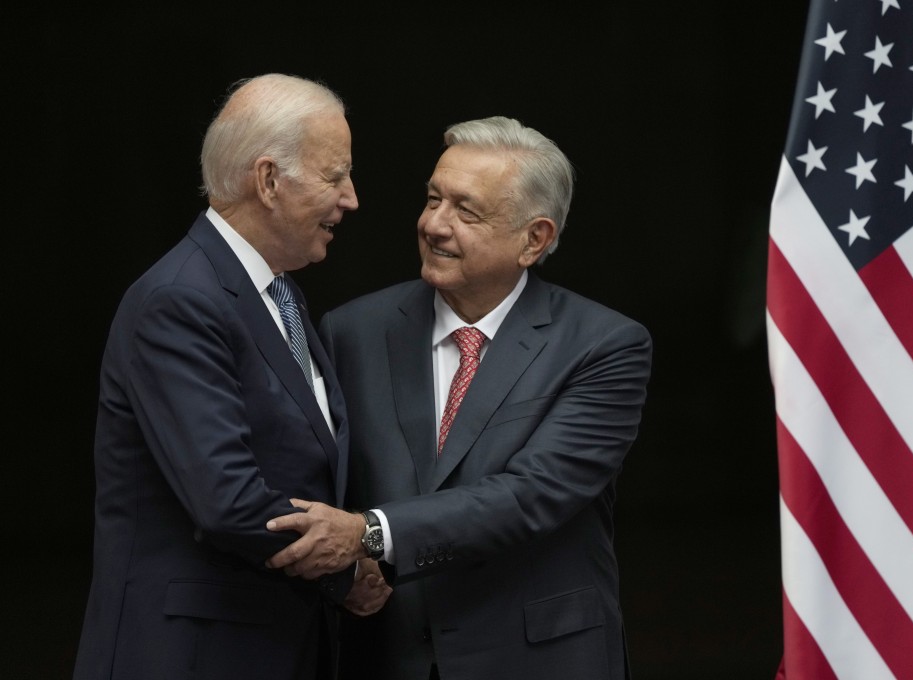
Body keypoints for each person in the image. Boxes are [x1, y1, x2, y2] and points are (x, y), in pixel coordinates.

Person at [267, 115, 653, 680]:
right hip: (386, 651)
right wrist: (341, 575)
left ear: (534, 239)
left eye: (466, 211)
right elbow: (316, 478)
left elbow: (532, 494)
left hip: (539, 657)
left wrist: (368, 534)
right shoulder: (352, 331)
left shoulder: (603, 345)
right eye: (432, 199)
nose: (434, 225)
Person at [73, 73, 387, 680]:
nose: (351, 198)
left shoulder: (279, 294)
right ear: (268, 180)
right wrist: (349, 567)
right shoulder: (179, 300)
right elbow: (228, 500)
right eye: (334, 176)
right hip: (192, 653)